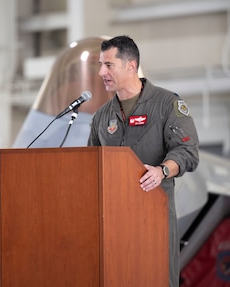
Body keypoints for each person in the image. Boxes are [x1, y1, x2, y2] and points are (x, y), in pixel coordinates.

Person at [87, 35, 199, 287]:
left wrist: (162, 170)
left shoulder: (167, 104)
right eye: (100, 65)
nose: (101, 72)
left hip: (153, 214)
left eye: (108, 65)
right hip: (112, 219)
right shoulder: (101, 117)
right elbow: (90, 166)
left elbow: (188, 150)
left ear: (130, 66)